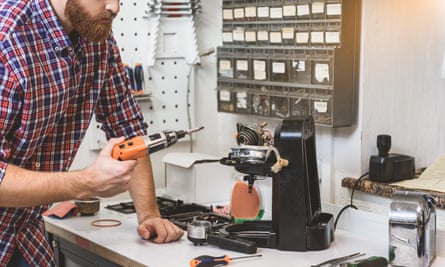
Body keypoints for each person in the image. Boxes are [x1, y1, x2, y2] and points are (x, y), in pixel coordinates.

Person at [0, 0, 184, 266]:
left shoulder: (96, 37)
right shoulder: (7, 38)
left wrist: (149, 216)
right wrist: (87, 182)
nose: (115, 6)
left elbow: (128, 130)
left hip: (25, 232)